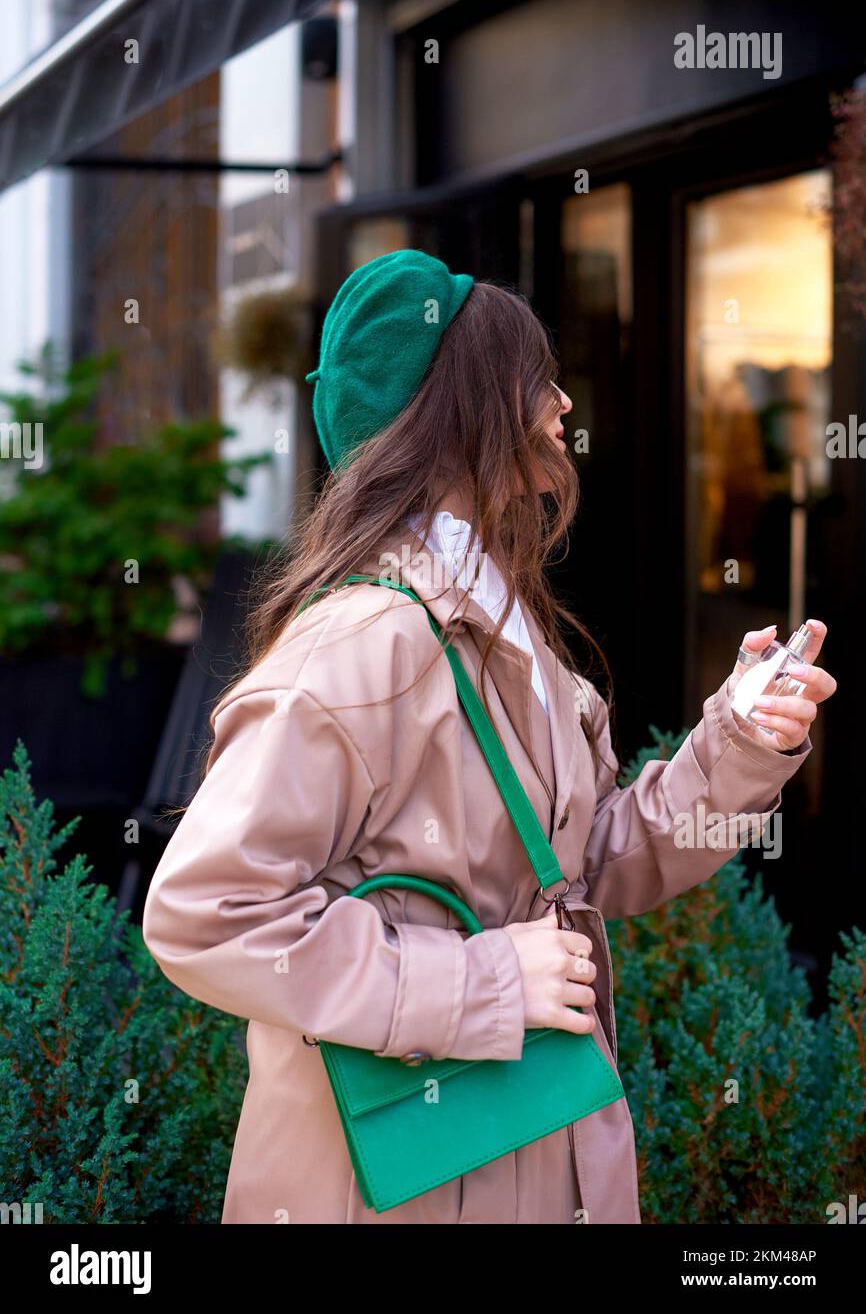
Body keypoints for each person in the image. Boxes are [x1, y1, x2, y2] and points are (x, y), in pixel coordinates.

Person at [142, 249, 834, 1224]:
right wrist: (479, 981)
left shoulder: (495, 620)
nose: (558, 404)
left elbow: (592, 863)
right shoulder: (362, 645)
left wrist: (736, 743)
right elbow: (204, 913)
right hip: (397, 1186)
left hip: (525, 1152)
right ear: (458, 409)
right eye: (530, 379)